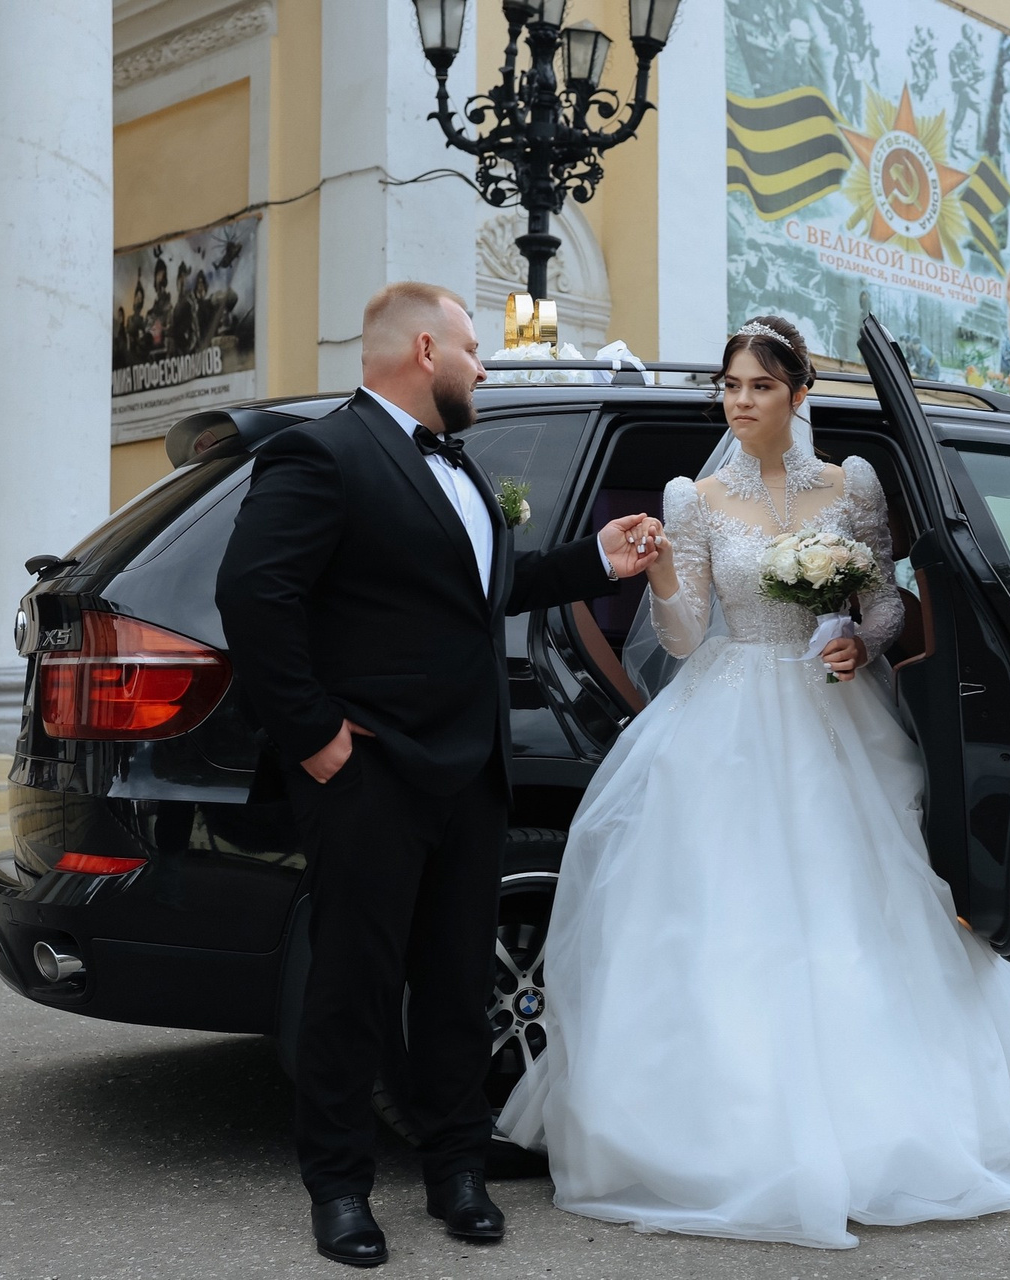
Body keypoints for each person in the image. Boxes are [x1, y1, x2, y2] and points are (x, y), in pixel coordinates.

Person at [500, 315, 1010, 1249]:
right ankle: (721, 1135)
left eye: (760, 386)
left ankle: (875, 1123)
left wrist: (861, 644)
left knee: (857, 909)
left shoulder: (853, 486)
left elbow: (884, 603)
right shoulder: (692, 498)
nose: (740, 401)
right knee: (726, 916)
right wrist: (660, 580)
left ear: (798, 393)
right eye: (730, 386)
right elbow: (685, 637)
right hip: (727, 712)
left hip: (831, 710)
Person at [214, 281, 664, 1268]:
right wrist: (316, 735)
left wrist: (596, 559)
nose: (484, 367)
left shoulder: (461, 465)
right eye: (473, 349)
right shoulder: (322, 454)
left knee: (457, 982)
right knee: (354, 987)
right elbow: (253, 593)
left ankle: (457, 1172)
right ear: (425, 350)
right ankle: (339, 1188)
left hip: (472, 771)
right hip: (369, 773)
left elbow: (488, 593)